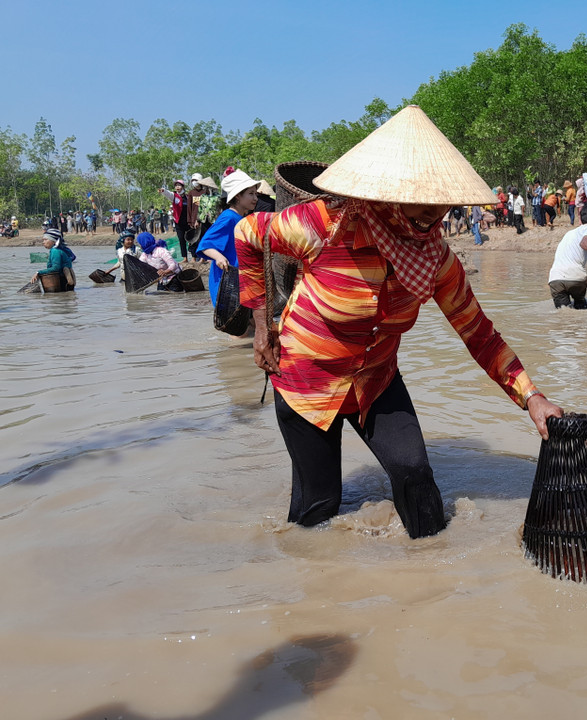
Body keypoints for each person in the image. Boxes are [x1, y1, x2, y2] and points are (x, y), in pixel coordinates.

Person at [234, 105, 563, 539]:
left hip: (376, 378)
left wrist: (531, 396)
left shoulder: (437, 260)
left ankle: (432, 578)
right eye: (420, 201)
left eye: (441, 202)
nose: (433, 214)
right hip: (306, 379)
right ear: (386, 190)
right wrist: (262, 328)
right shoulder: (324, 225)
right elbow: (248, 235)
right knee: (317, 509)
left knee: (415, 477)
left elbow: (478, 334)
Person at [197, 168, 260, 306]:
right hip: (226, 283)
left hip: (240, 282)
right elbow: (205, 245)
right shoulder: (228, 218)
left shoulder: (242, 218)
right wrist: (219, 257)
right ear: (237, 195)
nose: (255, 198)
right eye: (251, 193)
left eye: (256, 193)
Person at [547, 205, 587, 309]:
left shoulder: (570, 233)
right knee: (581, 311)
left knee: (563, 314)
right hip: (575, 280)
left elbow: (574, 268)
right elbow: (584, 242)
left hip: (555, 279)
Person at [159, 179, 189, 261]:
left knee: (191, 238)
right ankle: (185, 257)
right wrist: (163, 191)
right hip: (178, 222)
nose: (177, 187)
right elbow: (168, 194)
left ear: (183, 187)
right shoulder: (174, 196)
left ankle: (194, 256)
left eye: (179, 185)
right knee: (181, 239)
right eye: (176, 186)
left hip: (188, 221)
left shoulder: (188, 196)